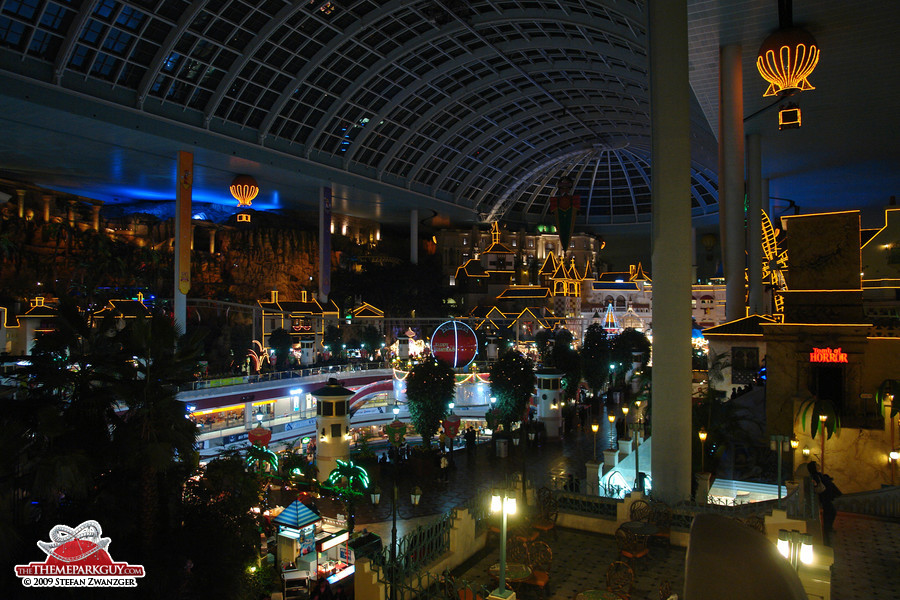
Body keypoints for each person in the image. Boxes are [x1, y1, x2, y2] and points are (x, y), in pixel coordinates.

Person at [807, 461, 841, 546]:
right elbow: (817, 485)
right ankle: (827, 529)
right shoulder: (815, 476)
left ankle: (828, 528)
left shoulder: (818, 475)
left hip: (826, 497)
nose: (818, 466)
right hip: (825, 497)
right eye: (816, 465)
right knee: (831, 512)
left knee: (829, 512)